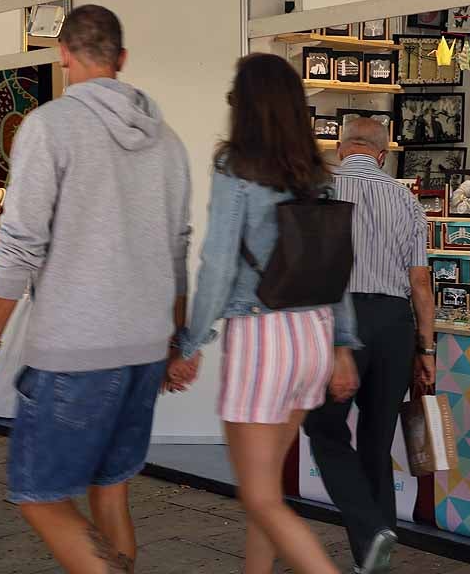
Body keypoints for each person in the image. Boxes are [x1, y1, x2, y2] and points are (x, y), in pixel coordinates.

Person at [0, 5, 191, 574]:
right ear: (122, 59)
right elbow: (179, 247)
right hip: (143, 349)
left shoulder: (49, 127)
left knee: (38, 494)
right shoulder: (169, 142)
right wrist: (177, 339)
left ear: (63, 58)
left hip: (75, 350)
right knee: (110, 489)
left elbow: (18, 246)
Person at [167, 53, 360, 574]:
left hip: (262, 337)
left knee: (260, 497)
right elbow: (335, 265)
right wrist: (343, 346)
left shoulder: (236, 166)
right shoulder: (317, 174)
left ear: (246, 106)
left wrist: (189, 344)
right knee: (267, 489)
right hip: (314, 337)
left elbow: (217, 262)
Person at [303, 117, 437, 574]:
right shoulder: (405, 198)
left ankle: (368, 531)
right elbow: (421, 282)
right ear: (383, 154)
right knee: (377, 441)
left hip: (340, 320)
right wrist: (427, 349)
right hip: (395, 322)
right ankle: (373, 554)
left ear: (341, 149)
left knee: (324, 426)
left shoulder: (320, 187)